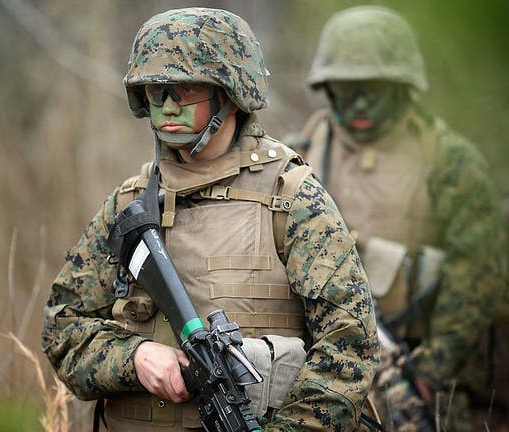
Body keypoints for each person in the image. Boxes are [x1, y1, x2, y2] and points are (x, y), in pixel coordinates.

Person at [42, 7, 379, 431]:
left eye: (184, 91)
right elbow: (62, 328)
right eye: (154, 91)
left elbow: (350, 346)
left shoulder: (291, 197)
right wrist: (135, 358)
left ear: (230, 93)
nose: (166, 106)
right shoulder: (130, 205)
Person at [287, 6, 509, 431]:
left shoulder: (450, 161)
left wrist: (433, 370)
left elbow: (478, 275)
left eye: (374, 90)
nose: (358, 104)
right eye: (345, 88)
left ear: (403, 88)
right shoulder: (298, 154)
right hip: (328, 366)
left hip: (425, 370)